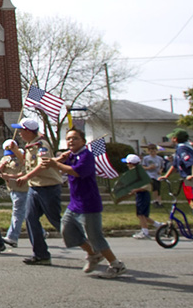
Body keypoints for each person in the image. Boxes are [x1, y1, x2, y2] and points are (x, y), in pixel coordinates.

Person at [49, 128, 125, 278]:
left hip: (89, 204)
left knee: (95, 236)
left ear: (83, 141)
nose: (71, 141)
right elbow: (51, 164)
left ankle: (116, 265)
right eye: (69, 138)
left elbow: (77, 172)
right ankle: (93, 255)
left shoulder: (86, 156)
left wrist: (56, 164)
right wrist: (59, 159)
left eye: (75, 138)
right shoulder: (71, 155)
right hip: (74, 204)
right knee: (67, 230)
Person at [12, 118, 64, 266]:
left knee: (56, 220)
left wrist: (26, 176)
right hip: (35, 187)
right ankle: (41, 254)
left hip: (48, 187)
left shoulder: (42, 145)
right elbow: (26, 163)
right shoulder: (30, 145)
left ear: (28, 131)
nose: (20, 134)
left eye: (21, 131)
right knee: (30, 218)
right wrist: (15, 150)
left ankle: (87, 245)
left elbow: (43, 164)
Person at [119, 154, 158, 239]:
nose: (127, 165)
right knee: (143, 215)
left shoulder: (140, 173)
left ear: (131, 164)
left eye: (128, 163)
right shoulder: (136, 172)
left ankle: (145, 232)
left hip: (143, 195)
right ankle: (159, 226)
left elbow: (146, 186)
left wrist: (135, 190)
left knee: (141, 214)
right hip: (141, 195)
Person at [0, 139, 27, 248]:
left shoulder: (22, 157)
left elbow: (25, 172)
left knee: (17, 212)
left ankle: (12, 237)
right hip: (12, 189)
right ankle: (41, 232)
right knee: (26, 213)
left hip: (22, 188)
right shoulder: (6, 158)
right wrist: (2, 168)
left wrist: (10, 176)